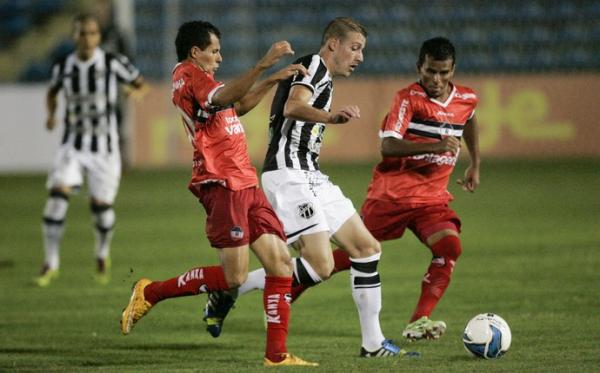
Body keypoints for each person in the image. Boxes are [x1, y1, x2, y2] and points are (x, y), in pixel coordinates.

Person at [204, 17, 407, 358]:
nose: (359, 58)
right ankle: (228, 289)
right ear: (333, 45)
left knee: (367, 248)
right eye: (354, 49)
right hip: (288, 175)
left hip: (310, 174)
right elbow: (292, 106)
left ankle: (372, 344)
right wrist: (332, 118)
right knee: (321, 265)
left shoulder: (324, 75)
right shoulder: (313, 65)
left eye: (362, 51)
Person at [119, 20, 317, 367]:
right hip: (221, 182)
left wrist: (270, 81)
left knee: (280, 263)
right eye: (214, 51)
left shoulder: (204, 81)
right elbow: (227, 96)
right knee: (234, 278)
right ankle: (150, 292)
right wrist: (263, 64)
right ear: (195, 52)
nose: (219, 57)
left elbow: (235, 108)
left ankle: (276, 356)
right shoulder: (187, 75)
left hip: (245, 182)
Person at [260, 36, 480, 341]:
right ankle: (287, 285)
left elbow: (469, 119)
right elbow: (387, 146)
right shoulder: (408, 99)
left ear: (454, 70)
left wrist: (475, 163)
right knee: (351, 254)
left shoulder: (467, 98)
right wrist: (437, 144)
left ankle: (418, 320)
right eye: (430, 71)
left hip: (432, 199)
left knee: (449, 248)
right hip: (392, 196)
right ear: (420, 67)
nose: (436, 79)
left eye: (443, 72)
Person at [35, 13, 147, 287]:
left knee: (101, 209)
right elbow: (52, 92)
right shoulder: (63, 66)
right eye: (82, 33)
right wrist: (51, 115)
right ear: (74, 36)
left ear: (99, 36)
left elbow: (140, 84)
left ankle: (102, 253)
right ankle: (50, 263)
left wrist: (134, 94)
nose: (87, 38)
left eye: (92, 33)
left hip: (105, 149)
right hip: (72, 144)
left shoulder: (112, 62)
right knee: (56, 200)